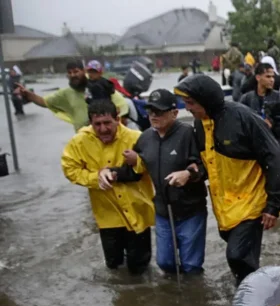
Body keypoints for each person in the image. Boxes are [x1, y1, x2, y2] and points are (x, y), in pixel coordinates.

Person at [174, 75, 280, 285]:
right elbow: (208, 164)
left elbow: (274, 156)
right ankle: (249, 293)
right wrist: (191, 173)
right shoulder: (200, 124)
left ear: (205, 100)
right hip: (225, 207)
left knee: (237, 256)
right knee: (241, 260)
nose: (186, 108)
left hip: (251, 204)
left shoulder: (243, 118)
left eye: (190, 103)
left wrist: (274, 204)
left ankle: (254, 301)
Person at [115, 89, 208, 275]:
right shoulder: (145, 137)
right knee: (165, 262)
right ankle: (172, 295)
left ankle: (193, 298)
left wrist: (188, 174)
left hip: (191, 210)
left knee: (191, 266)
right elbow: (135, 172)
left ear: (174, 113)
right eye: (150, 112)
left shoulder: (189, 134)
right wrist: (111, 173)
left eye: (159, 112)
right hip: (163, 211)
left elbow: (206, 168)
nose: (154, 116)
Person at [60, 100, 154, 274]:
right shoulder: (79, 142)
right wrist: (96, 177)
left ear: (118, 119)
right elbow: (70, 170)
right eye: (97, 124)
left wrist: (137, 161)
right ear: (90, 123)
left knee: (140, 268)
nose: (103, 129)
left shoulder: (136, 137)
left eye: (107, 123)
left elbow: (154, 164)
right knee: (114, 267)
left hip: (137, 212)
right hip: (107, 216)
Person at [16, 61, 128, 132]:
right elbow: (45, 102)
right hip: (84, 141)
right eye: (69, 73)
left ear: (84, 72)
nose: (73, 75)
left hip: (107, 137)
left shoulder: (100, 87)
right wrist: (28, 95)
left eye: (76, 71)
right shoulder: (66, 94)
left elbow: (122, 111)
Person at [240, 62, 280, 150]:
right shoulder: (247, 98)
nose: (272, 80)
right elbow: (239, 123)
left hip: (274, 148)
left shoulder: (279, 98)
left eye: (273, 77)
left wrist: (272, 124)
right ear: (258, 78)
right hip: (253, 149)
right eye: (268, 76)